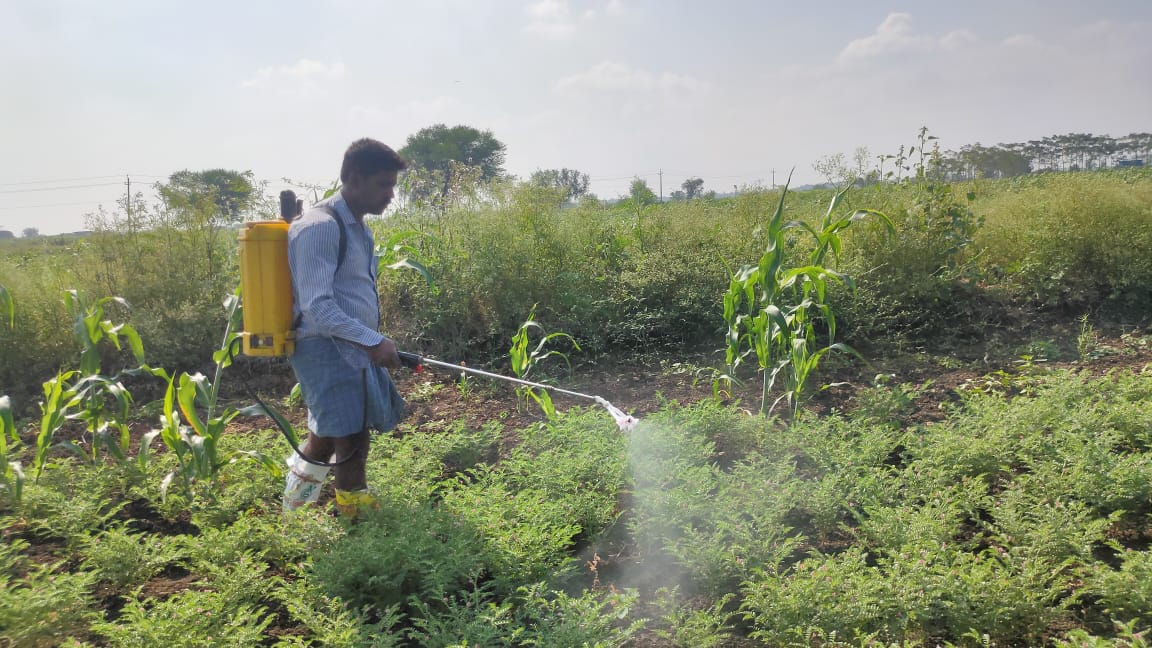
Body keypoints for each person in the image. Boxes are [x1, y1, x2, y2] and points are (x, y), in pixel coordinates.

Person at [282, 138, 408, 517]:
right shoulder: (320, 227)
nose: (390, 195)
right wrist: (373, 341)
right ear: (354, 178)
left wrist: (369, 343)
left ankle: (293, 511)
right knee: (351, 440)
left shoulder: (359, 229)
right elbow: (317, 306)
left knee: (323, 438)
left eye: (393, 185)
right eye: (383, 184)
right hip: (324, 349)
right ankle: (356, 526)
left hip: (349, 349)